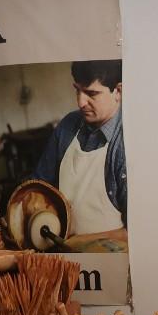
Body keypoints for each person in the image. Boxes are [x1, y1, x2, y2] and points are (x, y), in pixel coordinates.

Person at [32, 60, 127, 238]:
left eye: (91, 93)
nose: (80, 102)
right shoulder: (68, 125)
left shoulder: (127, 143)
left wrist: (76, 243)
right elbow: (39, 186)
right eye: (77, 89)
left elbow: (137, 231)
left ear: (118, 92)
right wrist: (20, 209)